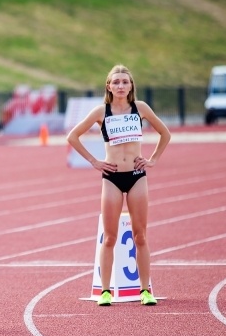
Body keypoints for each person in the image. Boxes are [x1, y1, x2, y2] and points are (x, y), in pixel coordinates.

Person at [66, 64, 171, 306]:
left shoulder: (140, 108)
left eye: (125, 82)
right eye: (116, 82)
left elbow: (165, 134)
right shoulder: (101, 111)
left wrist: (153, 159)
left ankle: (145, 290)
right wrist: (94, 161)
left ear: (131, 85)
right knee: (110, 237)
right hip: (112, 177)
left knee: (140, 235)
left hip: (136, 175)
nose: (121, 86)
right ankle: (105, 291)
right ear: (109, 86)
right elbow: (72, 136)